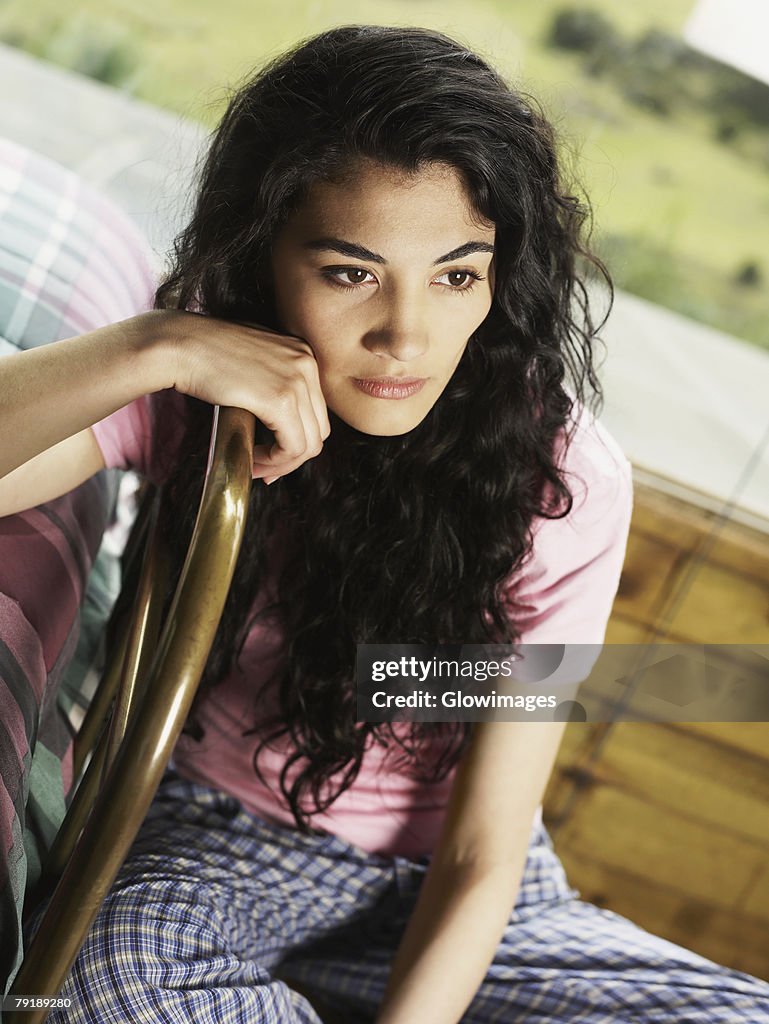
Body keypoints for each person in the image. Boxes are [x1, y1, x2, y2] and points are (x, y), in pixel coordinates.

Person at [2, 23, 769, 1024]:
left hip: (462, 874)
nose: (405, 335)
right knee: (106, 986)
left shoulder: (566, 480)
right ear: (263, 255)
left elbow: (483, 853)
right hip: (223, 841)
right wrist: (157, 343)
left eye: (456, 275)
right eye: (349, 272)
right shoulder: (202, 383)